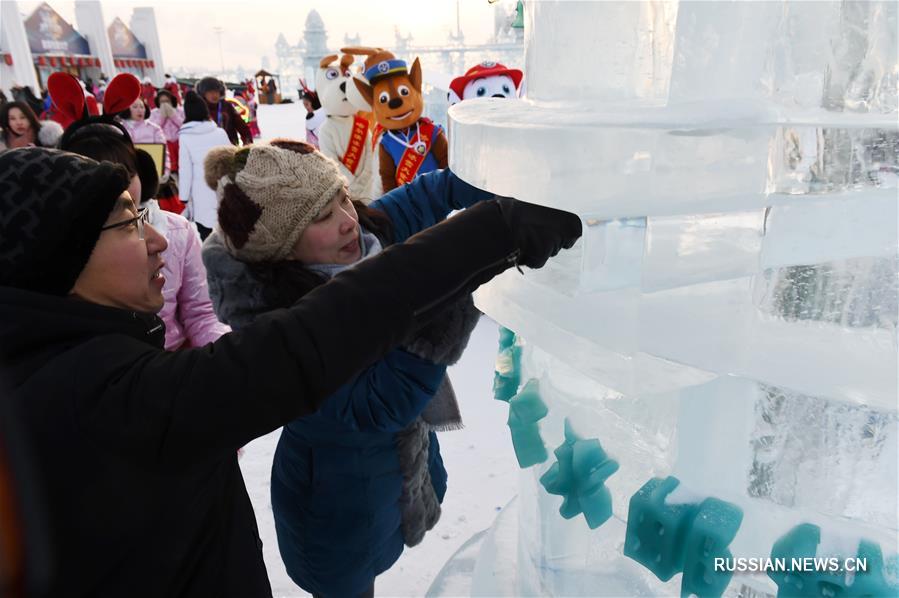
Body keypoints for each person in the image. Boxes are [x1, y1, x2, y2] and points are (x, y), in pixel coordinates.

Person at [0, 145, 580, 597]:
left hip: (391, 491)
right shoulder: (101, 399)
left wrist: (527, 174)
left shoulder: (67, 364)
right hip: (337, 514)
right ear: (61, 256)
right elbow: (314, 343)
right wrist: (482, 253)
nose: (157, 240)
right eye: (127, 224)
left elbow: (423, 201)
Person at [198, 141, 525, 597]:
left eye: (342, 199)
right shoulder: (279, 333)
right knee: (349, 585)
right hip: (333, 503)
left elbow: (430, 194)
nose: (348, 220)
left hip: (392, 473)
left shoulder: (366, 238)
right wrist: (458, 287)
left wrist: (514, 190)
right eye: (321, 217)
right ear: (283, 249)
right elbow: (381, 403)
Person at [60, 117, 230, 351]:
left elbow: (201, 313)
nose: (119, 188)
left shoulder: (178, 231)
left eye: (127, 174)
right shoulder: (58, 247)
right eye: (102, 177)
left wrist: (222, 353)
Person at [179, 91, 230, 239]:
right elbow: (230, 160)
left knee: (207, 235)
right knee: (227, 232)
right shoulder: (220, 132)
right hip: (223, 188)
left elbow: (185, 170)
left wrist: (183, 197)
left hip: (200, 192)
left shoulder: (185, 136)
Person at [118, 97, 170, 177]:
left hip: (151, 173)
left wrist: (165, 171)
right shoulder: (119, 128)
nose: (140, 110)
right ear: (127, 109)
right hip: (127, 174)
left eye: (142, 107)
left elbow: (164, 152)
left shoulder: (154, 129)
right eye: (135, 107)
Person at [196, 76, 252, 146]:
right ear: (203, 93)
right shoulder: (198, 109)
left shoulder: (226, 106)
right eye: (210, 92)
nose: (214, 95)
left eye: (216, 91)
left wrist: (247, 145)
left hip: (230, 149)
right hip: (207, 150)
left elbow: (242, 127)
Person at [149, 88, 184, 173]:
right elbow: (154, 128)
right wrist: (162, 117)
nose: (165, 104)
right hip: (165, 143)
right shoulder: (154, 113)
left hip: (180, 141)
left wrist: (173, 116)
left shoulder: (180, 110)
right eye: (162, 102)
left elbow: (184, 125)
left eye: (167, 101)